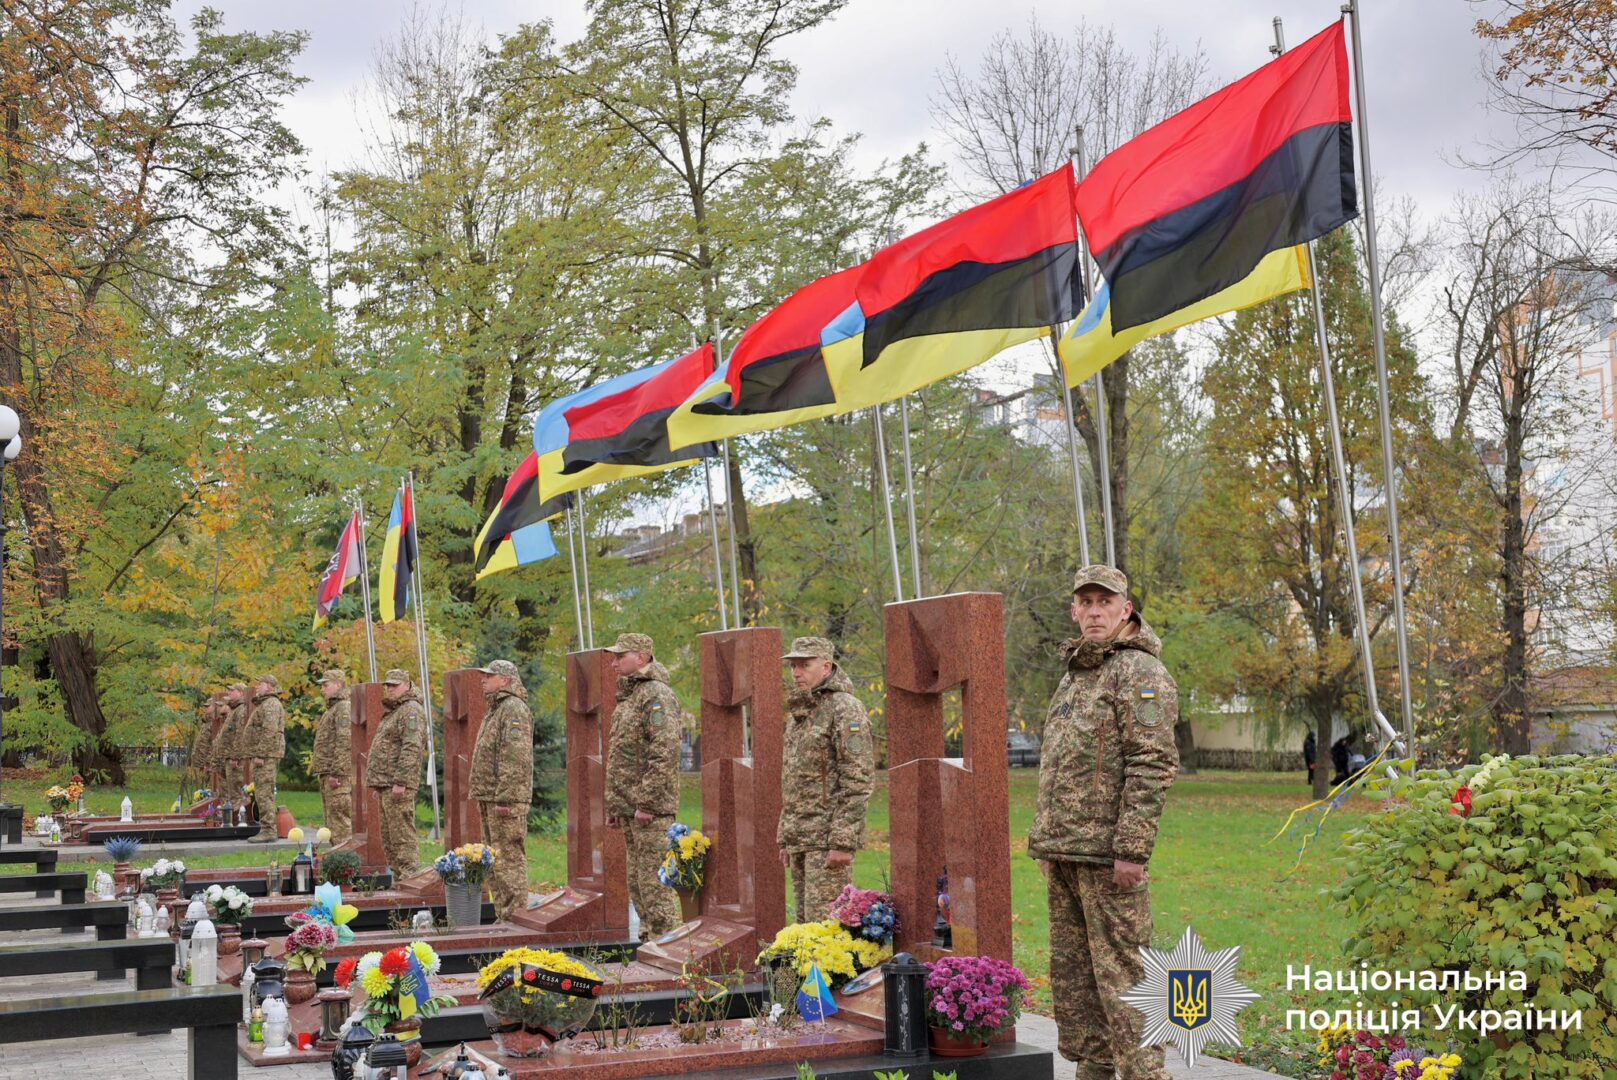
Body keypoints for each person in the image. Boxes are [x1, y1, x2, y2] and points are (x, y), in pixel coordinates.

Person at [1029, 565, 1178, 1080]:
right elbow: (1060, 764)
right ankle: (1095, 1070)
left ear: (1125, 610)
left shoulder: (1140, 673)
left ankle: (1145, 1074)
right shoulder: (1078, 672)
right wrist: (1047, 847)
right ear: (1074, 610)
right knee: (1077, 981)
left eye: (1105, 603)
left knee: (1125, 976)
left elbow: (1152, 762)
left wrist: (1132, 850)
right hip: (1067, 851)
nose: (1095, 611)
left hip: (1110, 855)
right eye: (1086, 603)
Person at [778, 636, 874, 923]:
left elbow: (858, 778)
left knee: (825, 927)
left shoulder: (845, 708)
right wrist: (786, 835)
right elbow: (793, 777)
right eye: (793, 666)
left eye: (804, 665)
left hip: (827, 838)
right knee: (805, 927)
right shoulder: (801, 710)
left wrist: (843, 841)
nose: (796, 673)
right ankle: (806, 971)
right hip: (802, 837)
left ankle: (824, 971)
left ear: (826, 666)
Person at [602, 632, 682, 939]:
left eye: (620, 657)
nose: (614, 663)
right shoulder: (630, 696)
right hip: (631, 808)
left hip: (650, 810)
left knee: (654, 883)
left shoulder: (655, 695)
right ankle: (649, 943)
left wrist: (647, 802)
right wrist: (617, 806)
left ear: (643, 657)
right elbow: (625, 753)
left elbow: (664, 750)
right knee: (637, 882)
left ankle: (664, 942)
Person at [468, 659, 534, 921]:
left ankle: (516, 917)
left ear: (505, 680)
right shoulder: (496, 708)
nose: (483, 680)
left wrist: (506, 795)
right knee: (495, 860)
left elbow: (515, 757)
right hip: (491, 795)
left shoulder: (514, 709)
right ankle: (503, 914)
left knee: (508, 858)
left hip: (505, 798)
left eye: (489, 675)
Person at [368, 668, 427, 875]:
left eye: (394, 685)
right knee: (389, 837)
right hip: (387, 783)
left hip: (398, 784)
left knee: (401, 835)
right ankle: (398, 880)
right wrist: (379, 783)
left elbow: (412, 746)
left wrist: (401, 781)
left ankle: (409, 876)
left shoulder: (411, 710)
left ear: (407, 685)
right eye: (388, 685)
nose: (390, 689)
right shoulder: (396, 710)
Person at [241, 675, 287, 842]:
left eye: (260, 684)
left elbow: (269, 731)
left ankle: (269, 830)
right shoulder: (266, 704)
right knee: (262, 792)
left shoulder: (271, 705)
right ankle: (267, 828)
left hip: (266, 756)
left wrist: (260, 753)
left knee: (264, 793)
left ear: (269, 686)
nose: (257, 686)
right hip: (264, 754)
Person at [311, 669, 353, 845]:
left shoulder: (343, 707)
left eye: (326, 685)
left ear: (338, 684)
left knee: (339, 819)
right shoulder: (334, 708)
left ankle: (346, 859)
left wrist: (337, 772)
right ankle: (338, 859)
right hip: (328, 771)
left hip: (336, 774)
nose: (322, 689)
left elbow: (344, 740)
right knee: (332, 820)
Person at [218, 683, 250, 822]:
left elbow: (239, 734)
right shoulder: (235, 710)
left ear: (242, 693)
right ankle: (232, 820)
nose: (230, 693)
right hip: (229, 756)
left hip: (234, 758)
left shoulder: (241, 710)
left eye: (233, 691)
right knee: (231, 792)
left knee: (236, 792)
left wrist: (235, 757)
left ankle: (238, 821)